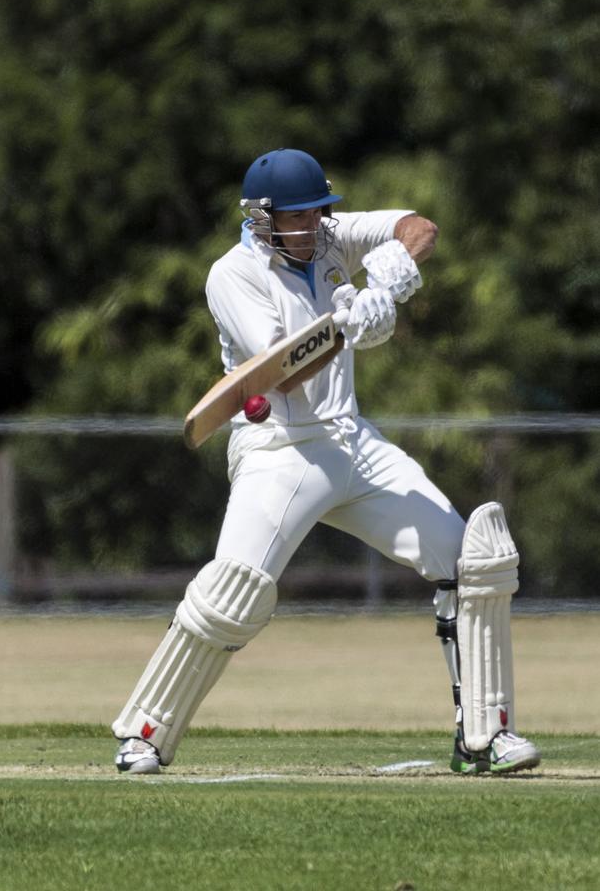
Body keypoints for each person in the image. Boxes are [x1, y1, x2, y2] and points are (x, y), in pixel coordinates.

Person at [112, 148, 540, 776]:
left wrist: (391, 267)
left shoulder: (328, 235)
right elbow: (282, 373)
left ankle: (485, 738)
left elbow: (420, 227)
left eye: (318, 212)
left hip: (354, 444)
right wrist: (349, 322)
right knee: (232, 593)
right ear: (262, 218)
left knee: (475, 563)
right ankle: (143, 733)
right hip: (280, 450)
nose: (313, 226)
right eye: (299, 217)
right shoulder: (232, 275)